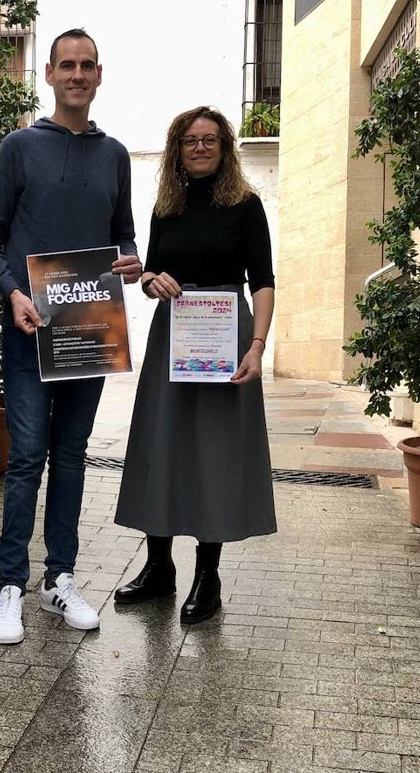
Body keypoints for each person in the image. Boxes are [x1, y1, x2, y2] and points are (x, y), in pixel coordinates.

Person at [0, 28, 142, 644]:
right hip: (30, 328)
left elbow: (123, 234)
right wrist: (15, 293)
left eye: (86, 66)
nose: (76, 75)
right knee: (25, 458)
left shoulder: (116, 155)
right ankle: (9, 587)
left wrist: (129, 260)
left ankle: (59, 579)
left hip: (88, 330)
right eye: (65, 65)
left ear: (99, 76)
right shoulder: (20, 148)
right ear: (48, 74)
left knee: (71, 458)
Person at [113, 105, 277, 624]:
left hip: (226, 338)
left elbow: (264, 281)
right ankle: (159, 566)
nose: (201, 147)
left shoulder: (246, 206)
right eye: (190, 141)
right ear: (178, 150)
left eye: (210, 139)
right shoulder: (167, 206)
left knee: (216, 453)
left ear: (225, 148)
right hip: (173, 337)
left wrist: (257, 345)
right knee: (163, 444)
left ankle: (209, 575)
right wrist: (148, 281)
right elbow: (152, 273)